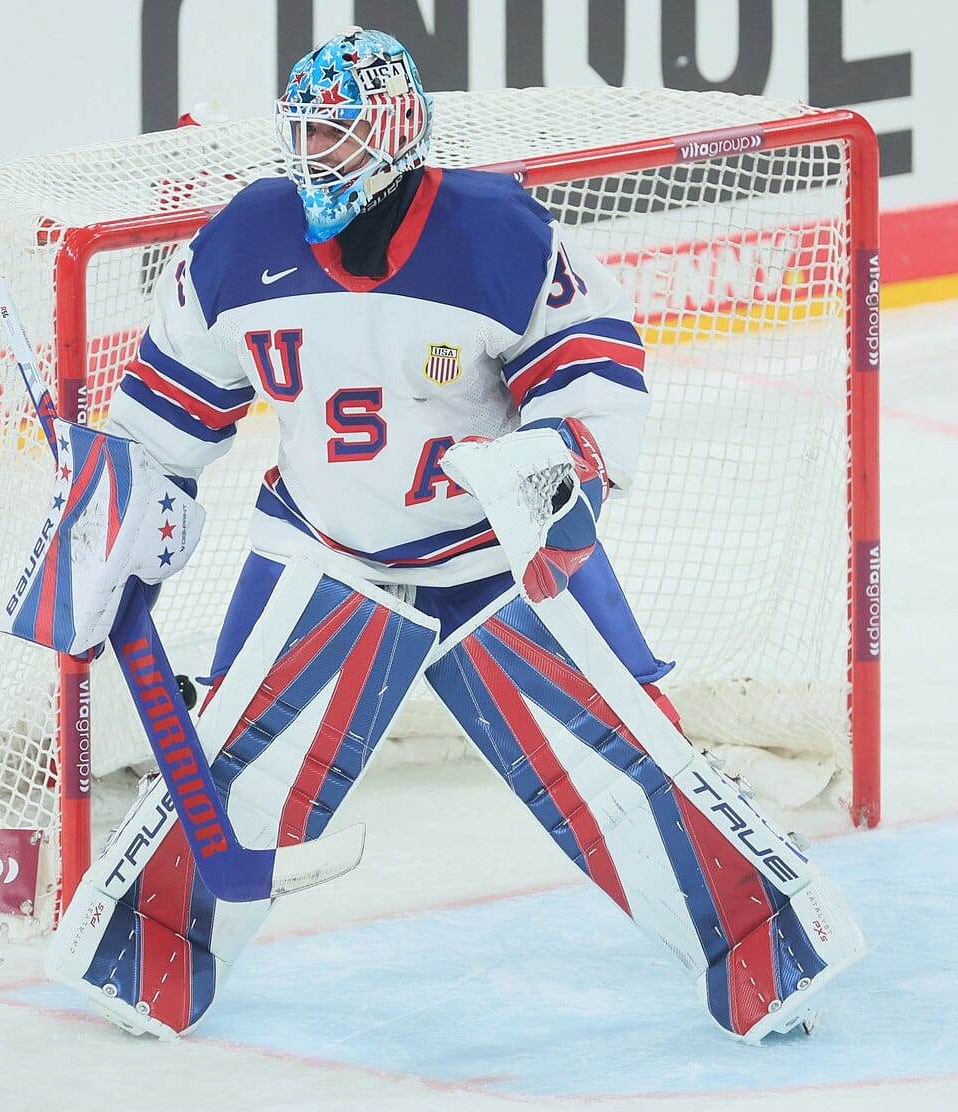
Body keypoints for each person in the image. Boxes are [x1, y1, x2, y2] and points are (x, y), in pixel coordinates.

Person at [44, 27, 863, 1042]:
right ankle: (149, 943)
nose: (315, 158)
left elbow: (594, 368)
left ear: (392, 133)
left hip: (493, 557)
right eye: (304, 133)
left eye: (337, 136)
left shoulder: (493, 229)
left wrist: (555, 464)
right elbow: (162, 421)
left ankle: (763, 941)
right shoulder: (241, 241)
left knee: (629, 754)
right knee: (235, 762)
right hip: (324, 550)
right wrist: (119, 514)